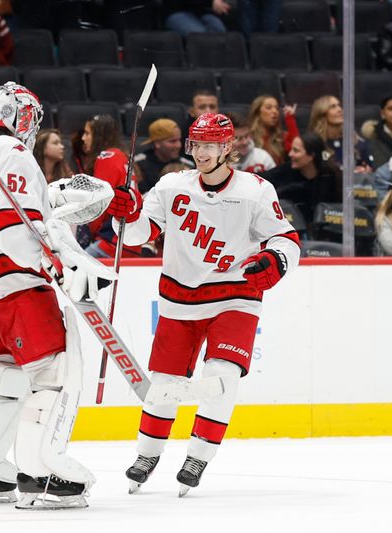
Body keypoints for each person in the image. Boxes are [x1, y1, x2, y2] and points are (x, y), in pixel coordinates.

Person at [106, 112, 300, 496]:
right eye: (197, 144)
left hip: (235, 297)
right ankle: (147, 454)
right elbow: (139, 234)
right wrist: (125, 214)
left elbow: (286, 238)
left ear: (227, 148)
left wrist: (276, 261)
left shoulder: (255, 190)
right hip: (179, 298)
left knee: (221, 376)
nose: (201, 153)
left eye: (210, 145)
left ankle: (198, 455)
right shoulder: (171, 185)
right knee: (165, 383)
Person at [0, 81, 116, 509]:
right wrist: (53, 264)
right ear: (22, 117)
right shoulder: (15, 154)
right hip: (14, 286)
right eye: (33, 119)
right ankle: (43, 475)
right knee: (53, 375)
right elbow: (10, 227)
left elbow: (4, 217)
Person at [71, 114, 140, 257]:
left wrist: (89, 233)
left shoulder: (107, 156)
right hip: (130, 238)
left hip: (112, 240)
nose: (83, 138)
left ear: (99, 135)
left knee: (74, 269)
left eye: (88, 133)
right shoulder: (122, 155)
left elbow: (98, 205)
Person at [261, 132, 342, 223]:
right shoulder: (286, 170)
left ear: (311, 156)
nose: (290, 154)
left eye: (296, 151)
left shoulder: (330, 177)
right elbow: (261, 178)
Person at [134, 118, 193, 193]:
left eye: (179, 140)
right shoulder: (138, 165)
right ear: (157, 143)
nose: (178, 145)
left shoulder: (188, 165)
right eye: (173, 141)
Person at [248, 94, 298, 165]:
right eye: (269, 108)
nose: (275, 111)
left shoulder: (281, 137)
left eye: (277, 108)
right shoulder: (248, 138)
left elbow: (297, 150)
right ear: (258, 112)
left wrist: (290, 119)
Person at [163, 0, 230, 38]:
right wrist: (211, 2)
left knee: (220, 31)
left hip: (200, 11)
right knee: (200, 37)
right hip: (176, 11)